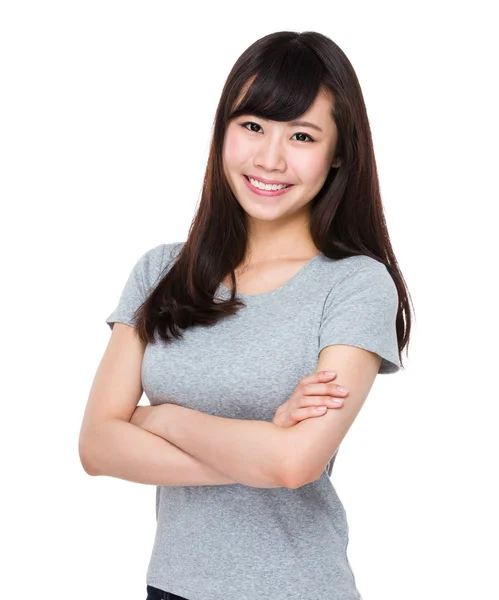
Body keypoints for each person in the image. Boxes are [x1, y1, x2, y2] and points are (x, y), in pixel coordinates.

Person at [79, 30, 413, 600]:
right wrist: (261, 447)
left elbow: (294, 464)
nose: (269, 158)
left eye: (302, 136)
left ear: (337, 155)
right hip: (172, 587)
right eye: (252, 126)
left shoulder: (355, 284)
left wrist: (162, 420)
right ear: (223, 132)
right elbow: (97, 447)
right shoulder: (161, 271)